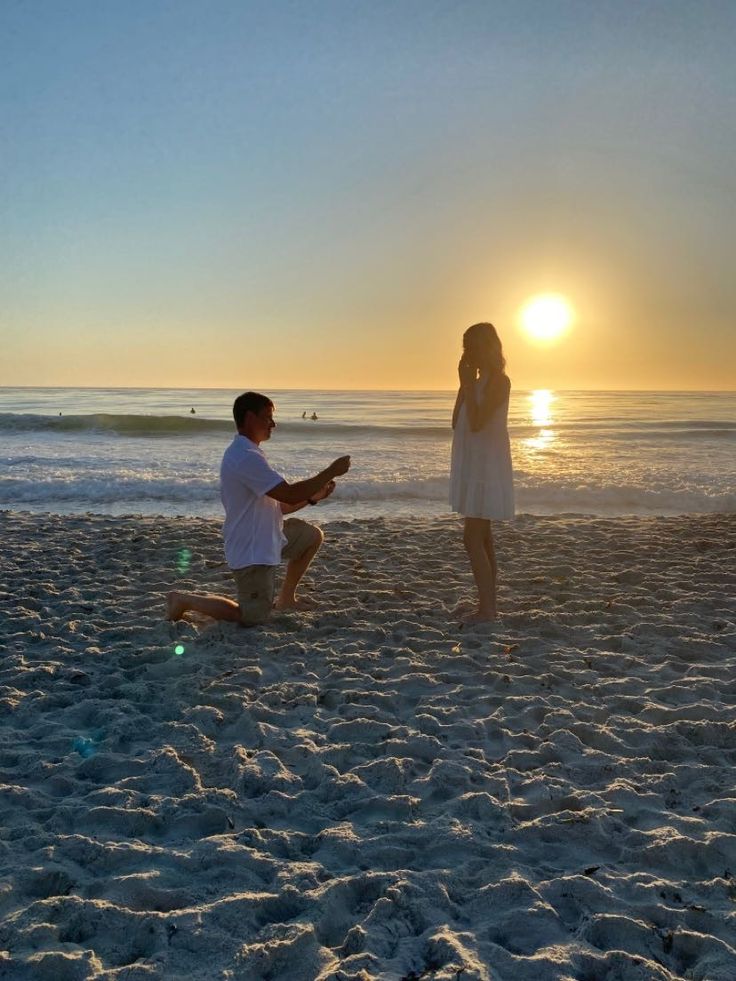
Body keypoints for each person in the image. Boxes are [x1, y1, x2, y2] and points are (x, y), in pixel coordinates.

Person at [167, 391, 350, 626]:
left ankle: (286, 599)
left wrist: (313, 498)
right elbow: (289, 492)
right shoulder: (244, 457)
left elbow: (280, 506)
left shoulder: (252, 453)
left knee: (311, 536)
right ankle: (182, 600)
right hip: (251, 549)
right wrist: (331, 471)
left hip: (270, 536)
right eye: (268, 417)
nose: (273, 424)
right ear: (250, 417)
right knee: (252, 617)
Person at [449, 323, 514, 622]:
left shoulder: (500, 382)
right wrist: (464, 385)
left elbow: (477, 423)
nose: (466, 353)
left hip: (485, 466)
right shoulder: (473, 384)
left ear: (483, 348)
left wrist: (466, 385)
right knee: (483, 536)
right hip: (471, 462)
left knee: (472, 538)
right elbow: (456, 422)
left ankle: (488, 609)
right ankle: (487, 604)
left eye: (470, 347)